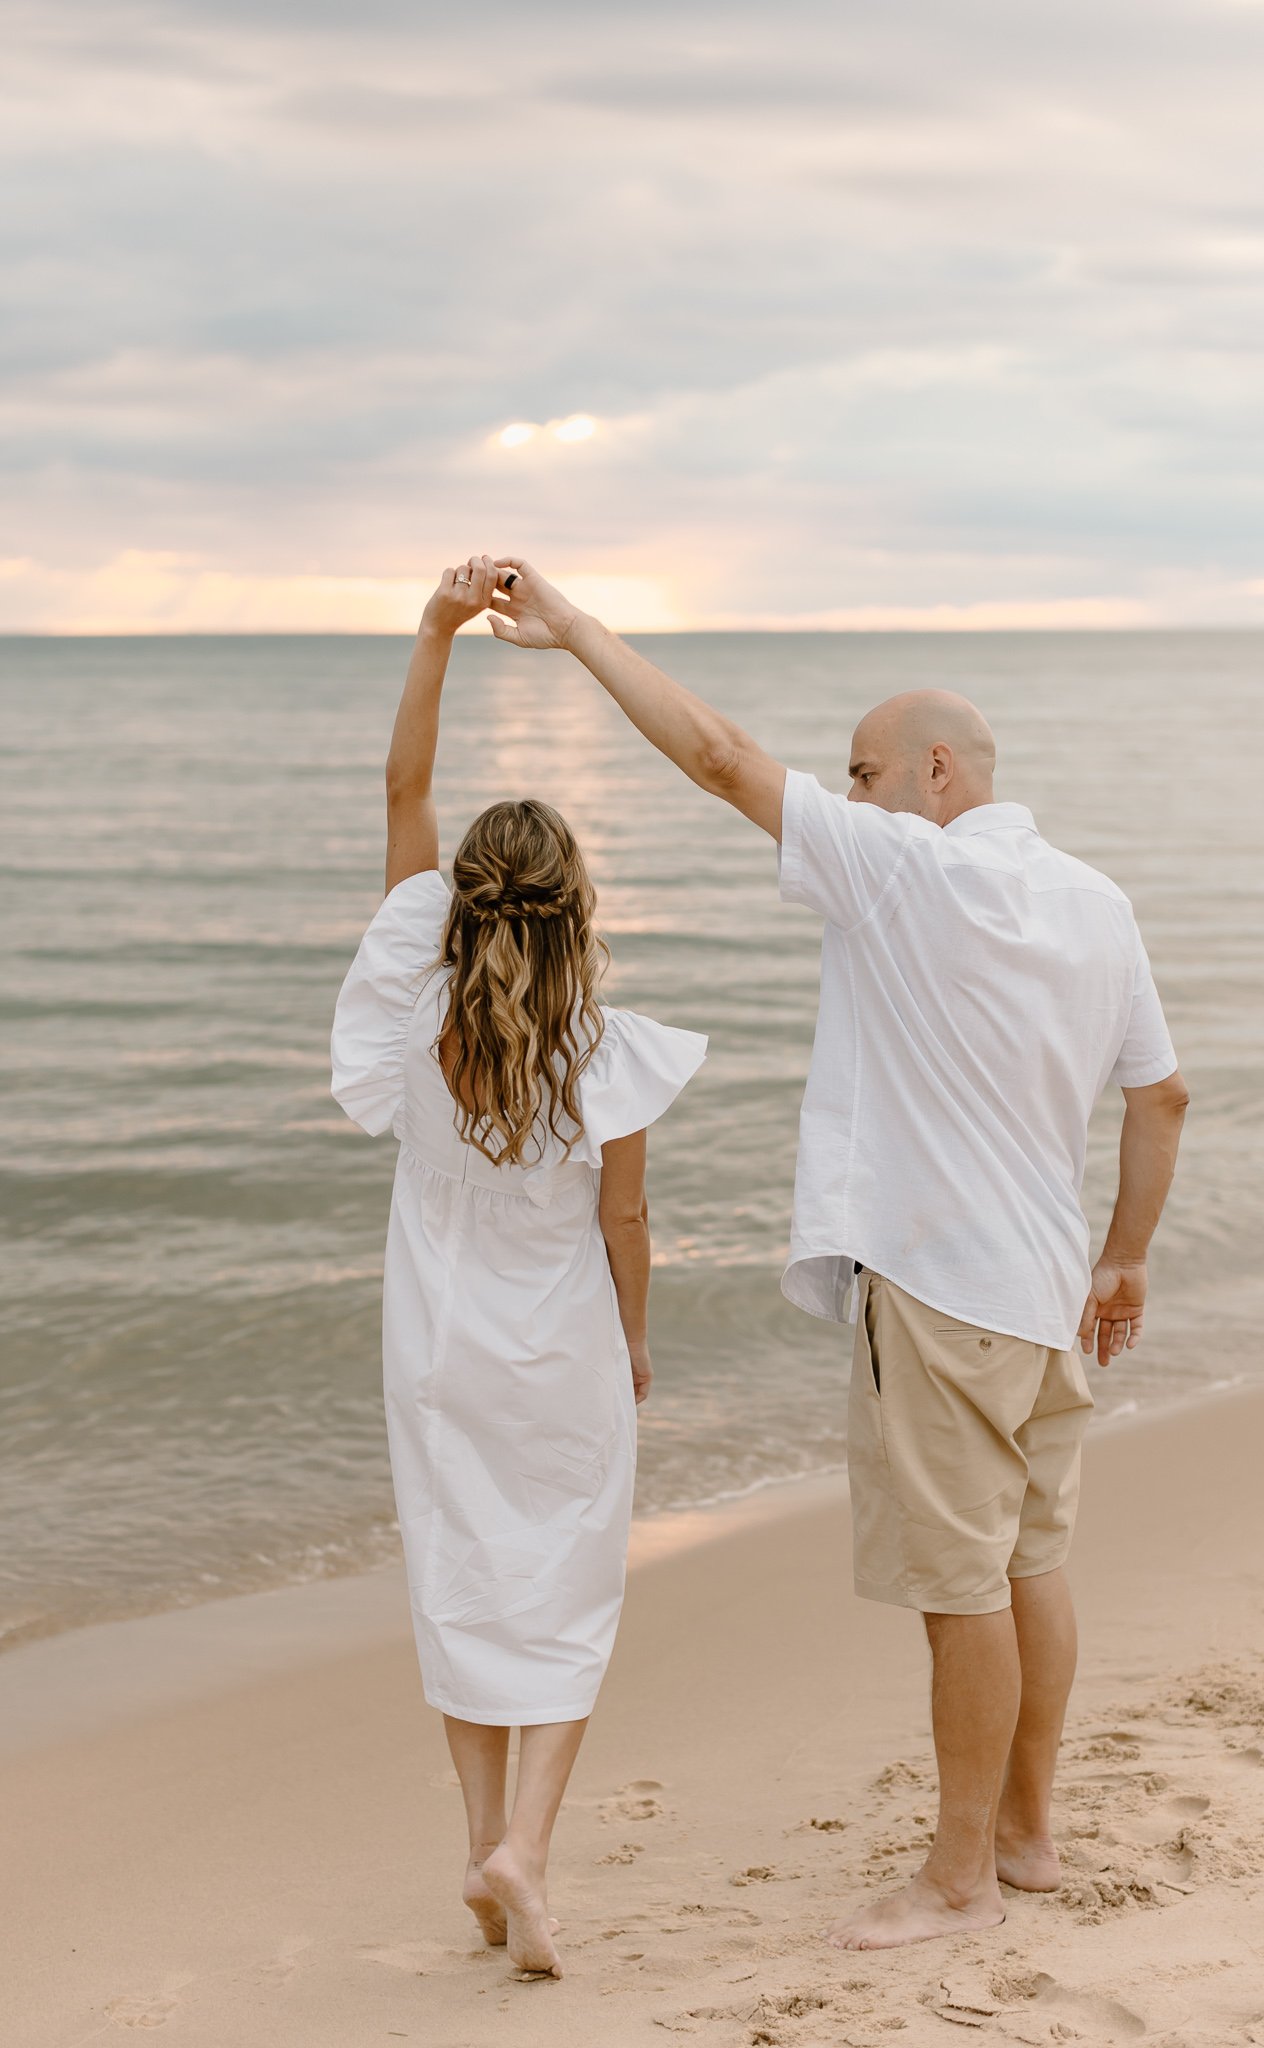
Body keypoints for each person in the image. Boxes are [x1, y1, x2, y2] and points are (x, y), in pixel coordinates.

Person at [481, 555, 1190, 1951]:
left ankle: (955, 1880)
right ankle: (1027, 1838)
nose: (844, 795)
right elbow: (1158, 1095)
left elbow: (718, 755)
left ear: (936, 772)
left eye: (862, 773)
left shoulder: (902, 872)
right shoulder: (1093, 903)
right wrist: (1122, 1260)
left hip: (940, 1292)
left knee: (959, 1589)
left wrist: (570, 631)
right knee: (1033, 1561)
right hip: (1046, 1289)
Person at [329, 558, 706, 1979]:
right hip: (558, 1346)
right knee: (566, 1587)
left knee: (462, 1582)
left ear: (466, 902)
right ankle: (525, 1852)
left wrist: (431, 625)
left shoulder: (414, 994)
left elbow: (399, 797)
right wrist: (637, 1343)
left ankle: (479, 1840)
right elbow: (622, 1226)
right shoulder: (606, 1047)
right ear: (574, 903)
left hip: (434, 1342)